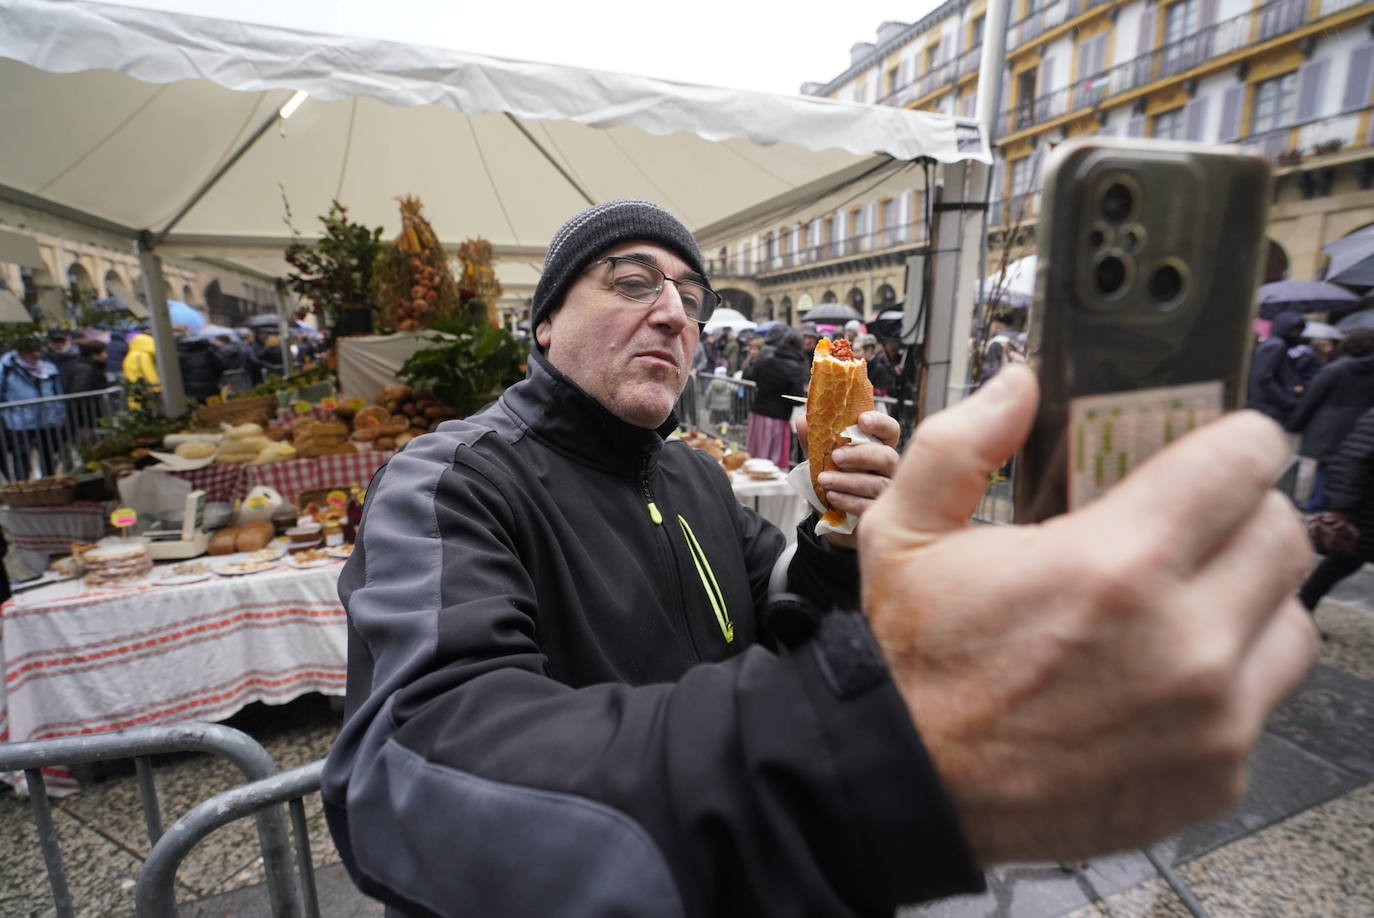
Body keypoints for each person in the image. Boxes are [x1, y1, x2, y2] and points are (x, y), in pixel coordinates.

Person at [323, 199, 1317, 918]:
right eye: (630, 284)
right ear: (542, 325)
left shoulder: (694, 479)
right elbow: (406, 770)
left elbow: (782, 606)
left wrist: (846, 536)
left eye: (688, 296)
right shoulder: (452, 477)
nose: (673, 312)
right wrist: (868, 756)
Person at [1298, 403, 1374, 625]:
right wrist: (1340, 507)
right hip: (1366, 509)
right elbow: (1351, 460)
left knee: (1342, 563)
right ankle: (1300, 611)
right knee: (1342, 562)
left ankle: (1300, 611)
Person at [1284, 328, 1374, 511]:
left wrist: (1295, 423)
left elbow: (1312, 398)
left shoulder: (1335, 369)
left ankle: (1316, 506)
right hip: (1359, 426)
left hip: (1327, 426)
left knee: (1323, 469)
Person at [744, 327, 809, 470]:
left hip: (757, 415)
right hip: (777, 420)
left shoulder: (767, 360)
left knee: (755, 458)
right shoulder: (796, 368)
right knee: (773, 464)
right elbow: (795, 399)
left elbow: (752, 377)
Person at [0, 342, 67, 480]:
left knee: (48, 456)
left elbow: (58, 393)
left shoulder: (49, 368)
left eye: (38, 350)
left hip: (47, 419)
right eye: (31, 351)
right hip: (19, 422)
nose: (36, 354)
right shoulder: (6, 369)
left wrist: (60, 415)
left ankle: (50, 487)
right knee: (21, 456)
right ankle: (23, 489)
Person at [1247, 311, 1305, 423]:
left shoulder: (1276, 344)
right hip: (1268, 407)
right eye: (1295, 330)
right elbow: (1264, 378)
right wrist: (1286, 400)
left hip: (1267, 406)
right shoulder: (1276, 345)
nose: (1297, 334)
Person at [175, 330, 224, 404]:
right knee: (214, 410)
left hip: (188, 389)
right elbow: (219, 367)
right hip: (210, 387)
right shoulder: (209, 352)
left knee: (195, 410)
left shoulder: (178, 354)